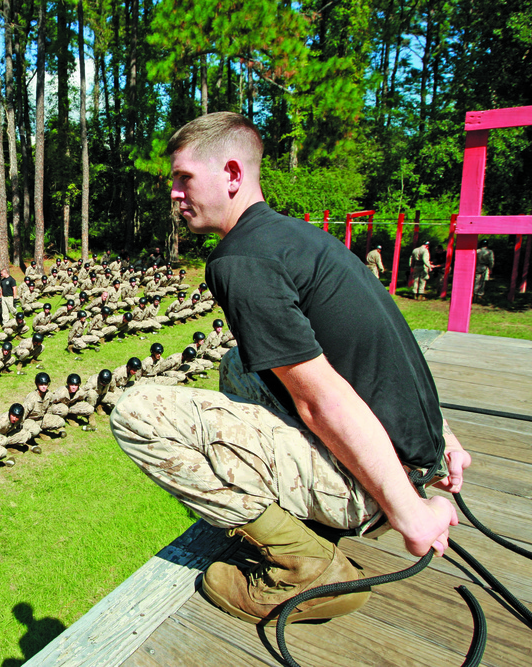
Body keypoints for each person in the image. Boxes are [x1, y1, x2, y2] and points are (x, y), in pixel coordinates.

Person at [112, 112, 470, 626]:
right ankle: (307, 511)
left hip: (379, 488)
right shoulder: (296, 237)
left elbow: (320, 399)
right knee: (240, 365)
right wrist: (440, 440)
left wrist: (411, 514)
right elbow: (380, 345)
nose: (173, 192)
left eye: (184, 176)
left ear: (232, 175)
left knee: (137, 412)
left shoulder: (240, 262)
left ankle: (305, 567)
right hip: (412, 463)